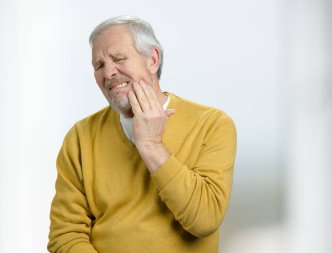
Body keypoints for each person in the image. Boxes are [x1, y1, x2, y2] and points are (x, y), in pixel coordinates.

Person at [48, 16, 237, 253]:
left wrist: (150, 144)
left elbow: (205, 219)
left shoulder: (212, 124)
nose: (108, 73)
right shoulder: (81, 137)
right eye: (99, 66)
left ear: (152, 60)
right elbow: (65, 236)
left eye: (118, 59)